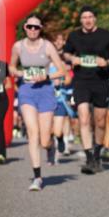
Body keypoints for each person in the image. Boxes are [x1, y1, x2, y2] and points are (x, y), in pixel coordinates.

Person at [62, 6, 109, 175]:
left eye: (90, 16)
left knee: (100, 121)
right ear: (81, 20)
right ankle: (89, 157)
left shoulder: (106, 36)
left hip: (101, 81)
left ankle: (97, 154)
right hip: (81, 81)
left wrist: (108, 62)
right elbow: (66, 53)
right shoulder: (74, 36)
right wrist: (72, 58)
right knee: (83, 118)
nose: (87, 20)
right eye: (84, 17)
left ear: (95, 18)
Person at [9, 15, 68, 190]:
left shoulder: (47, 46)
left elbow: (62, 70)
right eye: (30, 27)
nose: (33, 30)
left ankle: (50, 147)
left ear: (40, 29)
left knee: (44, 140)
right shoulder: (18, 46)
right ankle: (37, 177)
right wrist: (18, 73)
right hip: (27, 91)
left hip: (45, 91)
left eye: (36, 27)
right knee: (32, 132)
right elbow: (11, 66)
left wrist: (46, 76)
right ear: (25, 28)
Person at [48, 33, 75, 165]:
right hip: (46, 99)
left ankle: (60, 140)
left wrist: (62, 83)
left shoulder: (64, 64)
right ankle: (52, 152)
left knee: (57, 130)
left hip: (60, 100)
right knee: (47, 131)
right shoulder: (46, 64)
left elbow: (69, 78)